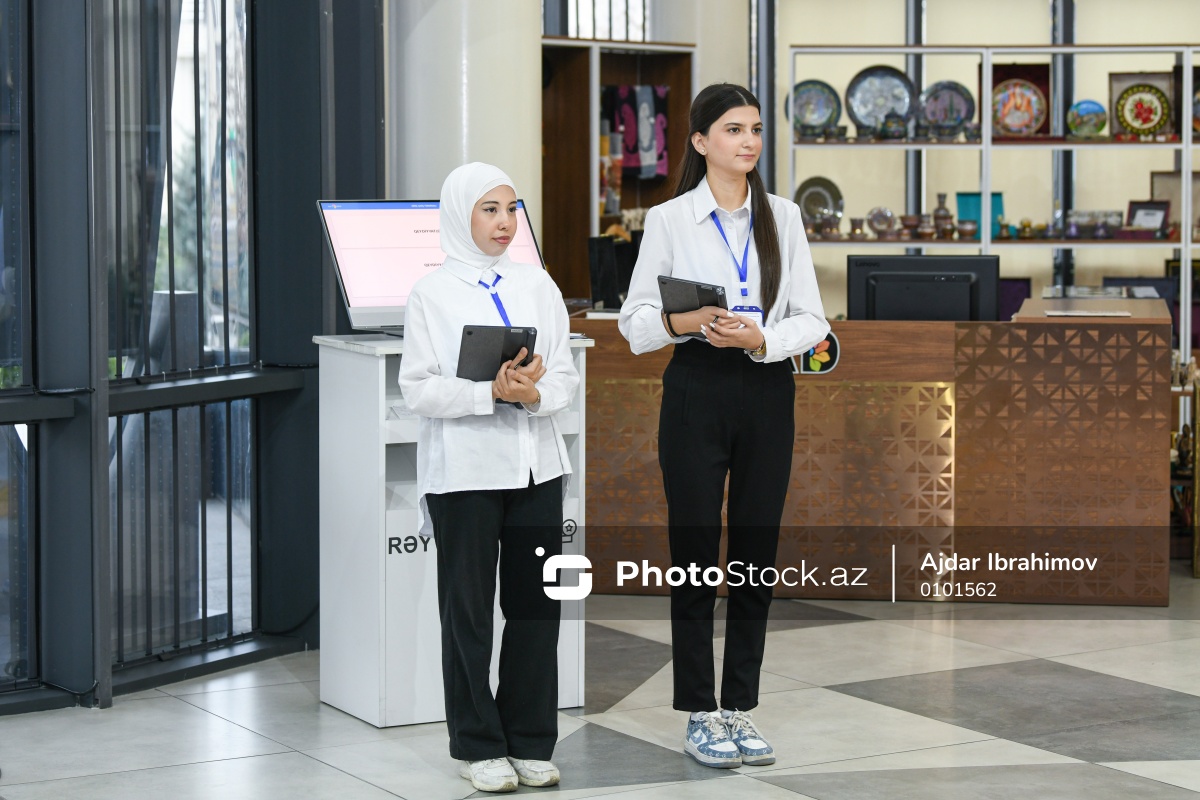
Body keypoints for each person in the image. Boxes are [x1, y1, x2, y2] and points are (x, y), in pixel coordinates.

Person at [617, 84, 829, 769]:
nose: (749, 141)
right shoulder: (671, 219)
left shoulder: (783, 217)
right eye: (734, 129)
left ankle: (739, 706)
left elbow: (813, 320)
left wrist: (762, 338)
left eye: (756, 129)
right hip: (696, 388)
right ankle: (699, 712)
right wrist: (686, 321)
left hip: (766, 387)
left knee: (755, 553)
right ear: (701, 141)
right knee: (695, 550)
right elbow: (634, 324)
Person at [398, 162, 579, 793]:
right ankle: (478, 745)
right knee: (468, 614)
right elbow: (417, 389)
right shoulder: (431, 293)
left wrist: (533, 394)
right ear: (459, 216)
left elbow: (565, 376)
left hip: (536, 467)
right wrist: (488, 393)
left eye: (511, 209)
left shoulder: (538, 284)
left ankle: (529, 740)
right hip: (465, 473)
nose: (505, 223)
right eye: (490, 210)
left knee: (536, 610)